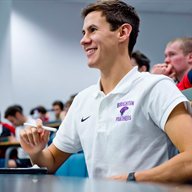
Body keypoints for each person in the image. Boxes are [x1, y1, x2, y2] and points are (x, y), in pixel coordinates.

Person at [20, 0, 192, 183]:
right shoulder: (83, 100)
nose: (83, 40)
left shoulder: (156, 88)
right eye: (84, 32)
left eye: (93, 30)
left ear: (123, 32)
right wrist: (36, 152)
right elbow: (52, 161)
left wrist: (131, 180)